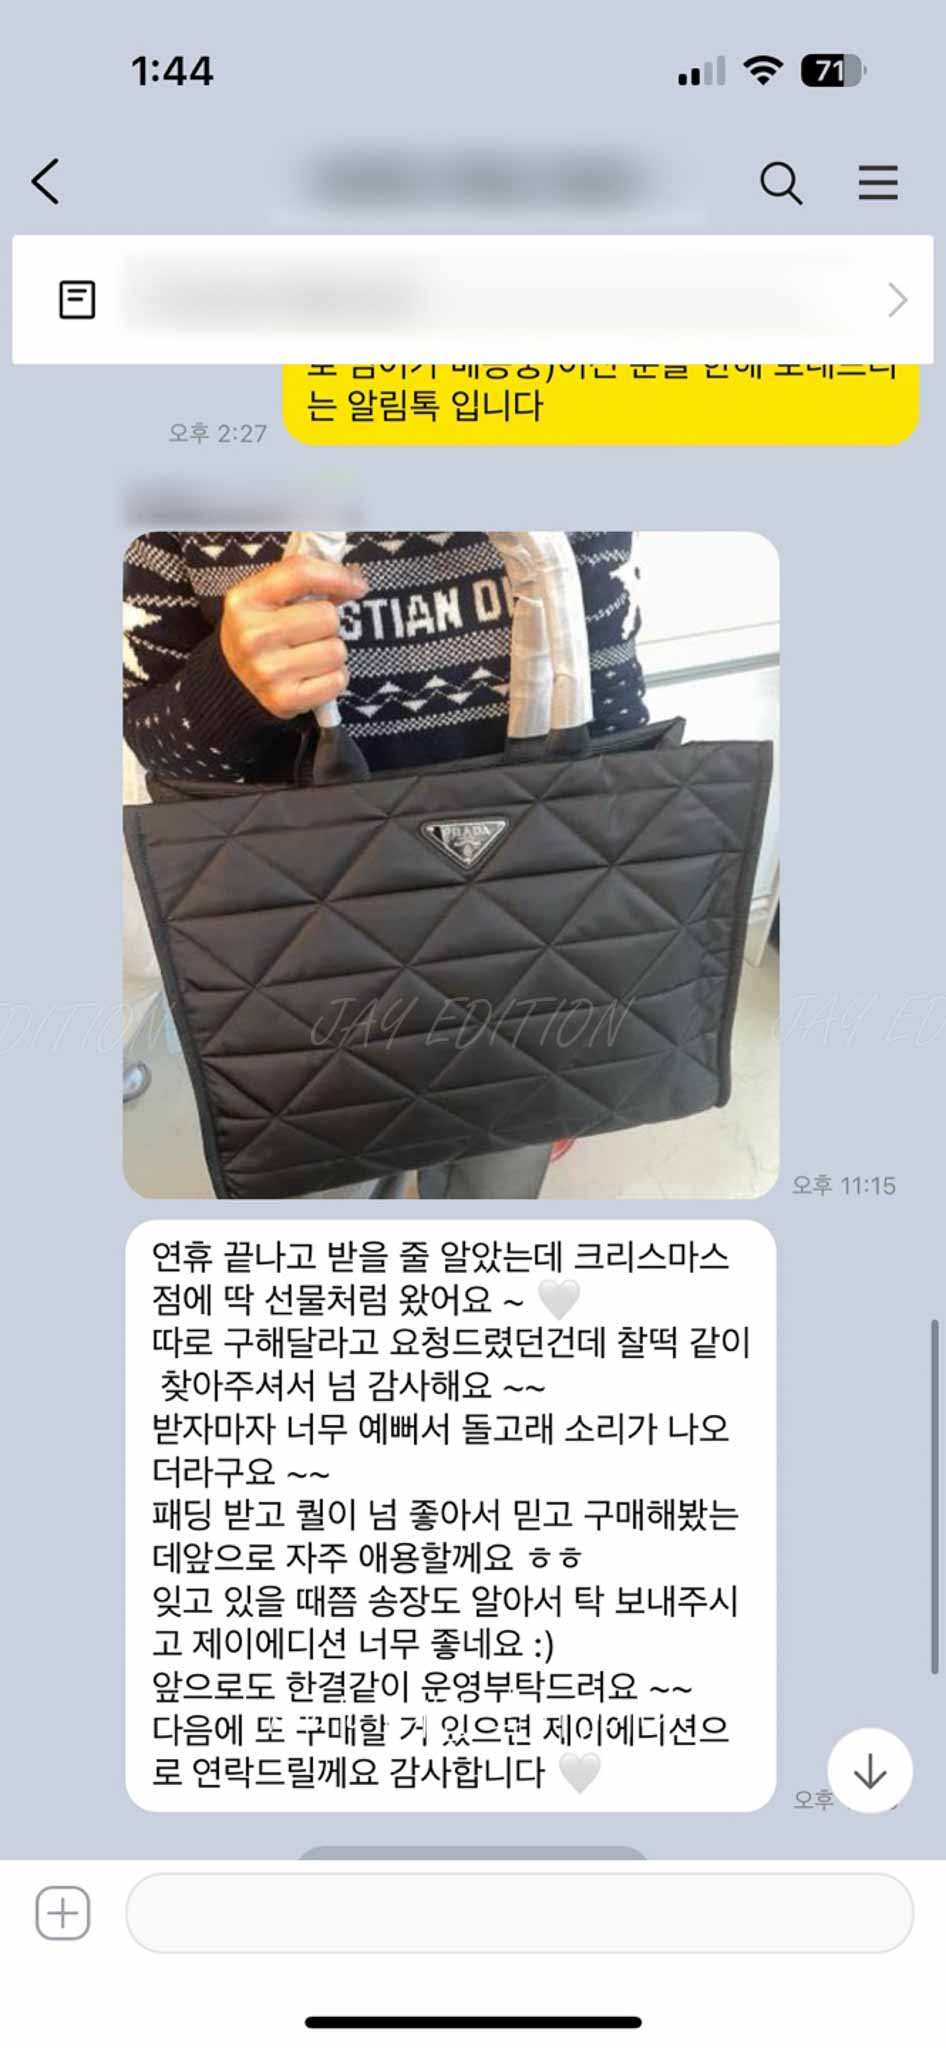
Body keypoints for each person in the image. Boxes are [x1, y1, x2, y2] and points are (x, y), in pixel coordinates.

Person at [123, 531, 647, 1197]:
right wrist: (230, 684)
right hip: (304, 978)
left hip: (526, 964)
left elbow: (615, 745)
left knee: (491, 1188)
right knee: (327, 1201)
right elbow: (159, 754)